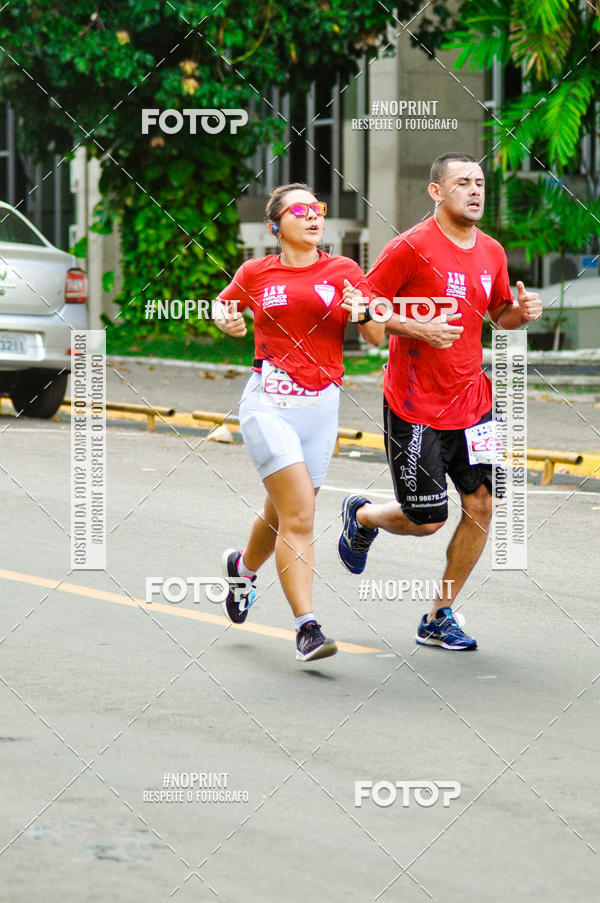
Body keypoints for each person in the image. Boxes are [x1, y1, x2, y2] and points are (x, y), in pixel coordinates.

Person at [338, 152, 542, 650]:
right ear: (436, 191)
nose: (475, 191)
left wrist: (521, 313)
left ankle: (439, 615)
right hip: (415, 407)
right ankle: (362, 515)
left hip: (473, 402)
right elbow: (365, 320)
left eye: (480, 182)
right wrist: (414, 327)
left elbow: (497, 315)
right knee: (427, 520)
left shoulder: (491, 250)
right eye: (463, 183)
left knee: (483, 504)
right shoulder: (409, 248)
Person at [215, 182, 383, 662]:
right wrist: (225, 318)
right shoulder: (256, 272)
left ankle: (243, 570)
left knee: (283, 509)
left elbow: (375, 337)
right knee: (301, 517)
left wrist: (365, 311)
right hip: (268, 403)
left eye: (319, 209)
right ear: (277, 226)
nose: (314, 217)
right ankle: (307, 627)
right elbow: (223, 305)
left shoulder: (345, 270)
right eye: (301, 211)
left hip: (322, 409)